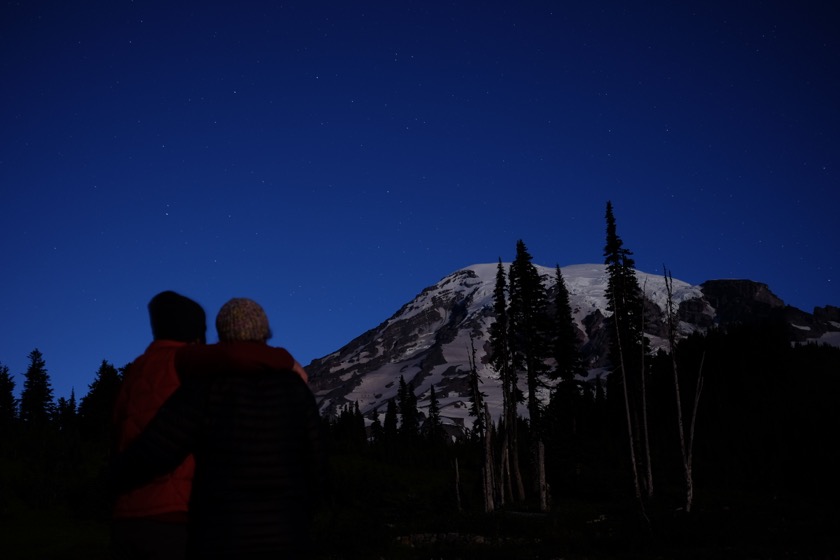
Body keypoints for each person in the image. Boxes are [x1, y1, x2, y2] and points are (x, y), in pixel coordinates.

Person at [111, 298, 327, 559]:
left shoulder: (206, 385)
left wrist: (112, 479)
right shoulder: (294, 389)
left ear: (222, 335)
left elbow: (161, 446)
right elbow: (316, 461)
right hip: (289, 529)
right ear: (264, 332)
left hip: (222, 532)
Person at [111, 290, 207, 560]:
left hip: (125, 514)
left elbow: (117, 428)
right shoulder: (190, 365)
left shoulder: (136, 371)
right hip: (174, 514)